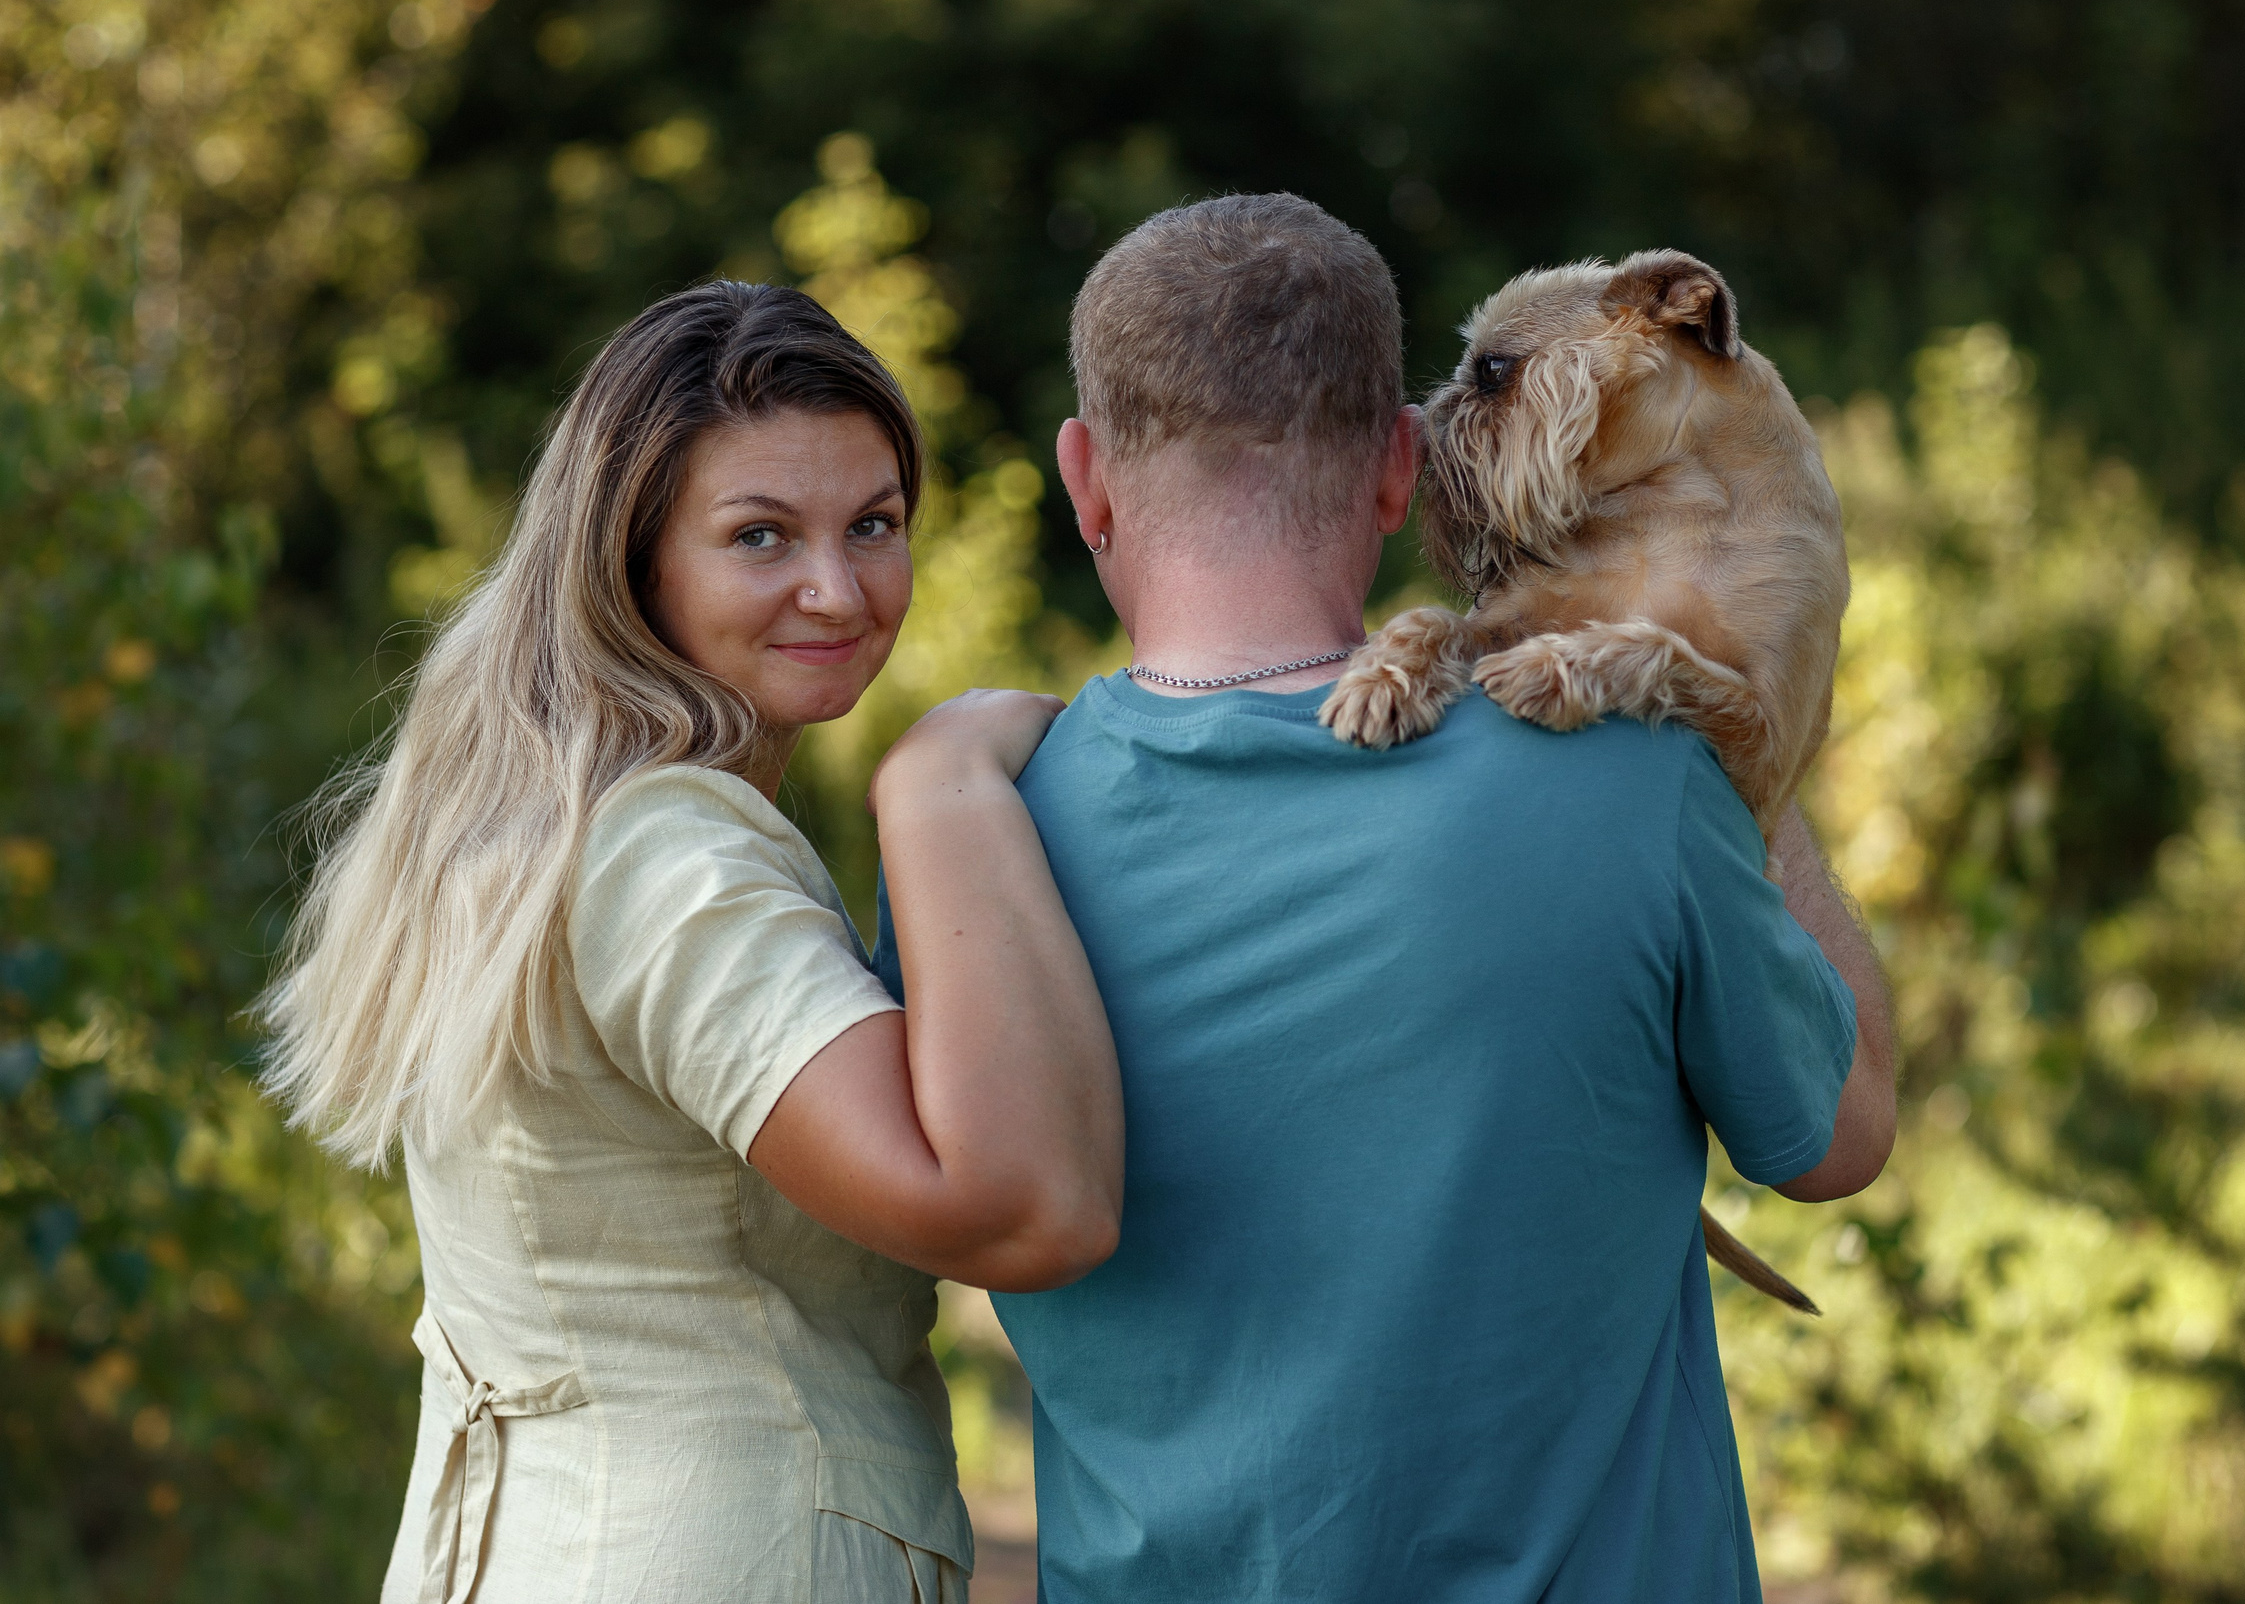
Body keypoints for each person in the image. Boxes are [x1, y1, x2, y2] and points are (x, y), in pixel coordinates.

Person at [874, 195, 1897, 1603]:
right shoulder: (1638, 784)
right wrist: (1749, 737)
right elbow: (1839, 1138)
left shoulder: (977, 844)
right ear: (1400, 472)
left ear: (1085, 478)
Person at [256, 282, 1123, 1604]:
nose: (837, 589)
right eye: (760, 535)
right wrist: (942, 782)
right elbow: (1015, 1211)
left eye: (873, 525)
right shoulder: (670, 858)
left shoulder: (541, 812)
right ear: (634, 554)